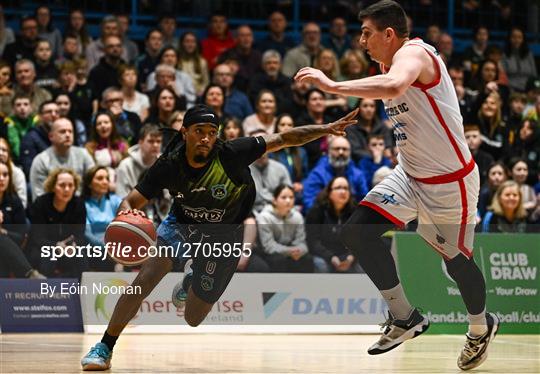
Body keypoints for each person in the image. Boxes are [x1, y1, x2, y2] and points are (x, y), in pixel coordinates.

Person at [294, 1, 498, 369]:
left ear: (389, 34)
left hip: (450, 182)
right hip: (408, 174)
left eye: (366, 33)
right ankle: (404, 316)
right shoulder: (385, 64)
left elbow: (394, 85)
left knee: (456, 262)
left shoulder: (416, 54)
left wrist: (332, 84)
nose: (361, 41)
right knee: (356, 232)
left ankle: (480, 327)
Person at [81, 104, 358, 371]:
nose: (206, 137)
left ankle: (191, 280)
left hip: (225, 235)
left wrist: (326, 128)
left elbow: (284, 138)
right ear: (184, 132)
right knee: (143, 281)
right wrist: (123, 222)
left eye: (212, 132)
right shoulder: (168, 165)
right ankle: (105, 346)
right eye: (199, 130)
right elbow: (130, 201)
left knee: (193, 317)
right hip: (182, 224)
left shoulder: (232, 153)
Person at [28, 167, 87, 278]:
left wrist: (73, 245)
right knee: (48, 256)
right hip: (46, 247)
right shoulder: (41, 203)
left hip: (68, 247)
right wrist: (55, 245)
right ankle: (45, 292)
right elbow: (37, 237)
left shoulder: (79, 204)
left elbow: (79, 235)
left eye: (70, 185)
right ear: (53, 187)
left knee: (80, 255)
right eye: (62, 185)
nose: (67, 189)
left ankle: (80, 292)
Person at [30, 117, 95, 199]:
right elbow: (38, 195)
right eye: (62, 132)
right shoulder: (41, 160)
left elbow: (94, 182)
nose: (67, 135)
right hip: (50, 207)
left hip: (81, 205)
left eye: (70, 131)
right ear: (51, 136)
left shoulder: (83, 154)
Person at [0, 160, 44, 279]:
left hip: (9, 250)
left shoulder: (14, 201)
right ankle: (29, 274)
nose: (2, 178)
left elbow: (21, 236)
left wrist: (4, 232)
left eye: (5, 174)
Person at [305, 176, 359, 273]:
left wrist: (351, 256)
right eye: (338, 188)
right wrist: (331, 257)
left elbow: (360, 240)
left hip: (347, 256)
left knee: (363, 265)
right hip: (324, 255)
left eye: (346, 188)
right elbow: (313, 242)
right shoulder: (317, 211)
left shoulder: (355, 212)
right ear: (329, 193)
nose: (343, 191)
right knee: (321, 265)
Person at [257, 184, 313, 273]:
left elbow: (302, 243)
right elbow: (268, 246)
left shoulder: (298, 217)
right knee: (278, 260)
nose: (288, 201)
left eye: (291, 197)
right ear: (274, 200)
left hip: (291, 252)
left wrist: (298, 251)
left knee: (307, 259)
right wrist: (289, 251)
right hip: (270, 254)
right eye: (283, 197)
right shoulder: (264, 217)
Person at [302, 136, 368, 210]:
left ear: (350, 152)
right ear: (329, 151)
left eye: (345, 149)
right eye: (337, 149)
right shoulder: (317, 174)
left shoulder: (358, 175)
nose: (341, 152)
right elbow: (309, 202)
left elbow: (364, 202)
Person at [83, 166, 122, 271]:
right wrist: (107, 248)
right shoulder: (82, 204)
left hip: (117, 247)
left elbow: (124, 226)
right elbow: (87, 234)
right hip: (94, 248)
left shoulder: (116, 201)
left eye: (107, 179)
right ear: (89, 183)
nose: (105, 182)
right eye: (100, 178)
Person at [84, 111, 129, 190]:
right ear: (95, 128)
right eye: (99, 124)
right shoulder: (90, 148)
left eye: (106, 122)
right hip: (100, 187)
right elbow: (91, 172)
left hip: (122, 186)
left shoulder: (122, 145)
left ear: (112, 125)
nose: (103, 126)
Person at [247, 49, 293, 114]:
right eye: (269, 63)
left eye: (275, 63)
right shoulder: (255, 81)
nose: (272, 66)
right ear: (263, 66)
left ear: (280, 66)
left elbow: (288, 103)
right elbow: (255, 101)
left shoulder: (287, 81)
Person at [502, 27, 537, 93]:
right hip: (511, 90)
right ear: (509, 39)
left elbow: (534, 75)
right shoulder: (504, 55)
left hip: (528, 90)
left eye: (519, 37)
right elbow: (503, 77)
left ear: (523, 39)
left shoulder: (529, 54)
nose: (516, 40)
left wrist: (532, 90)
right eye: (514, 37)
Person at [177, 32, 209, 97]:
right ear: (182, 43)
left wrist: (202, 91)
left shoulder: (202, 62)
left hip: (198, 96)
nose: (190, 44)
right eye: (187, 41)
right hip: (180, 95)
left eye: (193, 41)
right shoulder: (176, 60)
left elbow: (206, 82)